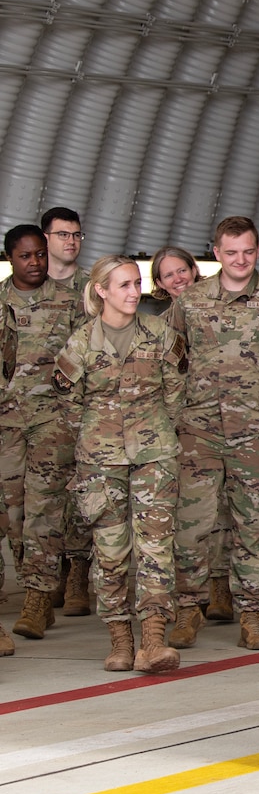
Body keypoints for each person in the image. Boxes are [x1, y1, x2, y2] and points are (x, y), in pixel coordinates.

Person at [165, 217, 259, 652]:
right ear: (216, 252)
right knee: (191, 528)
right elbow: (167, 365)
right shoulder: (190, 302)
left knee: (255, 527)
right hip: (198, 432)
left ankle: (253, 615)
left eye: (247, 251)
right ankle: (188, 612)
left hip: (257, 432)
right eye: (231, 252)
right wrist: (171, 420)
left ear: (258, 250)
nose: (240, 260)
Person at [53, 256, 186, 674]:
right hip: (99, 460)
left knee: (156, 549)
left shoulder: (161, 333)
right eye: (124, 285)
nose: (134, 292)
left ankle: (152, 640)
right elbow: (68, 404)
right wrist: (96, 434)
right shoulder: (80, 343)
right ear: (101, 290)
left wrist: (157, 431)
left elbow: (176, 391)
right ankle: (120, 640)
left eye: (137, 284)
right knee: (110, 553)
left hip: (155, 455)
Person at [4, 224, 88, 639]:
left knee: (44, 509)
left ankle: (38, 598)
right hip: (6, 424)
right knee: (13, 513)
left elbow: (83, 361)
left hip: (52, 423)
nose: (35, 262)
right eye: (26, 256)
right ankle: (30, 581)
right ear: (10, 259)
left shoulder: (70, 301)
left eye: (40, 254)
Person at [140, 247, 198, 317]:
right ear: (160, 283)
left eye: (182, 271)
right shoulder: (160, 324)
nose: (178, 279)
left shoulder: (214, 310)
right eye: (169, 275)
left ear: (193, 271)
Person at [40, 207, 84, 290]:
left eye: (76, 235)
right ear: (45, 238)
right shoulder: (26, 283)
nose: (72, 241)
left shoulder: (94, 286)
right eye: (63, 235)